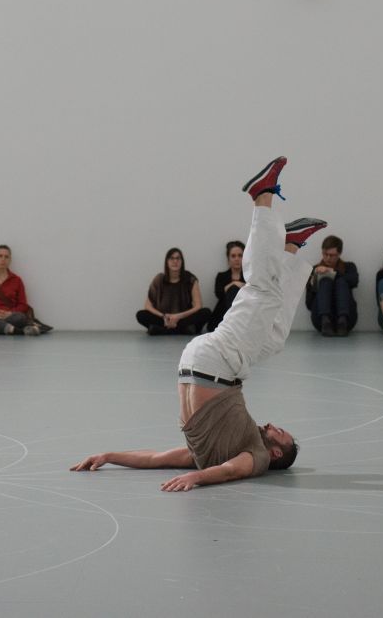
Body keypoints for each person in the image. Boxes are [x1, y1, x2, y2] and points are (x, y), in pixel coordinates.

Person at [71, 156, 325, 490]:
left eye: (280, 432)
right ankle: (290, 245)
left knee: (263, 291)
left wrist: (197, 477)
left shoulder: (255, 457)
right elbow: (156, 459)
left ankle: (262, 198)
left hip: (218, 361)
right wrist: (109, 455)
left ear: (276, 452)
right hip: (202, 364)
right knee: (273, 338)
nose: (274, 425)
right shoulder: (208, 452)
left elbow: (232, 471)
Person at [136, 247, 212, 336]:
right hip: (164, 319)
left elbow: (198, 306)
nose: (175, 261)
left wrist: (178, 316)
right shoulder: (159, 279)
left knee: (206, 312)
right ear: (167, 262)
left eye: (178, 258)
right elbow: (147, 306)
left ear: (182, 261)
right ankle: (183, 329)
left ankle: (161, 330)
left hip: (184, 318)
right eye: (171, 258)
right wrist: (164, 317)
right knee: (141, 315)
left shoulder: (190, 279)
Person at [305, 235, 358, 336]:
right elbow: (308, 304)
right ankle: (326, 320)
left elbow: (354, 281)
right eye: (325, 254)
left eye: (332, 255)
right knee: (325, 281)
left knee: (341, 281)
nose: (328, 258)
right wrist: (313, 282)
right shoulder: (314, 269)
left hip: (347, 320)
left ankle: (342, 321)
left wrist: (333, 272)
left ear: (339, 254)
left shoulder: (349, 267)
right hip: (320, 320)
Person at [207, 240, 246, 331]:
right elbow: (218, 293)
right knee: (233, 289)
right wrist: (234, 284)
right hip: (223, 313)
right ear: (228, 259)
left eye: (240, 255)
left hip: (243, 313)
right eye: (233, 256)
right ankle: (232, 322)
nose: (237, 259)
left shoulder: (249, 276)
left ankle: (235, 323)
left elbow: (254, 293)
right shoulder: (221, 276)